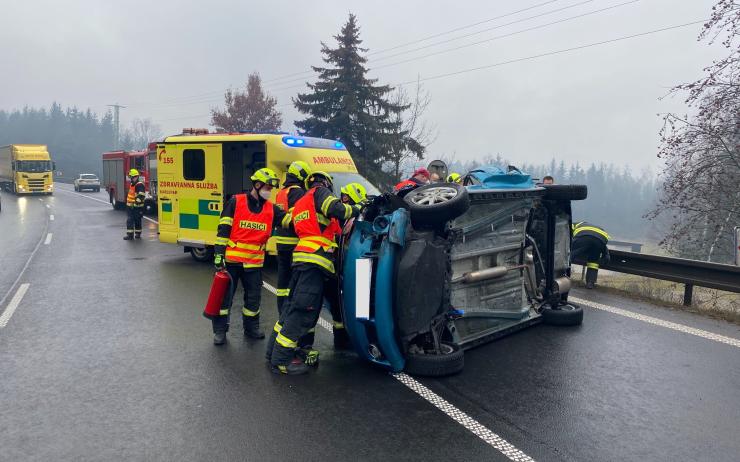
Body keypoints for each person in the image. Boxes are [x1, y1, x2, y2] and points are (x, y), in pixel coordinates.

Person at [267, 171, 361, 375]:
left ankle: (271, 353)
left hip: (302, 260)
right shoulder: (320, 192)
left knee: (291, 309)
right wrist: (357, 208)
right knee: (301, 310)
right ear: (325, 183)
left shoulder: (302, 201)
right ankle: (281, 361)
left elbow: (291, 223)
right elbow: (336, 209)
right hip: (314, 262)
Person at [210, 168, 291, 345]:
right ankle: (220, 331)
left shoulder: (272, 209)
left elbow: (288, 221)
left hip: (254, 263)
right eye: (267, 187)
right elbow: (223, 230)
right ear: (257, 184)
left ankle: (251, 328)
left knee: (253, 299)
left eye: (271, 188)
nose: (269, 191)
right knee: (224, 300)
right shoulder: (236, 202)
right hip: (231, 262)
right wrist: (218, 255)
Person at [273, 161, 312, 315]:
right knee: (295, 282)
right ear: (301, 176)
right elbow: (298, 218)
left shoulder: (282, 192)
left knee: (282, 282)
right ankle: (291, 314)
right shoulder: (298, 192)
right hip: (294, 244)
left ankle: (281, 312)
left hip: (281, 243)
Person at [571, 221, 610, 289]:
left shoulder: (573, 224)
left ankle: (561, 276)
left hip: (584, 237)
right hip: (601, 239)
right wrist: (606, 253)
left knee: (570, 255)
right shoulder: (585, 225)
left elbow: (567, 237)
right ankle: (590, 283)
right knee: (593, 261)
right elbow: (600, 241)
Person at [123, 169, 146, 240]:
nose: (131, 179)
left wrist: (136, 203)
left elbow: (141, 195)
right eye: (130, 177)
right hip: (131, 207)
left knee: (136, 220)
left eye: (131, 177)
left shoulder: (139, 185)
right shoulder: (132, 184)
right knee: (131, 220)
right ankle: (131, 235)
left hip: (136, 207)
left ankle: (136, 234)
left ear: (136, 177)